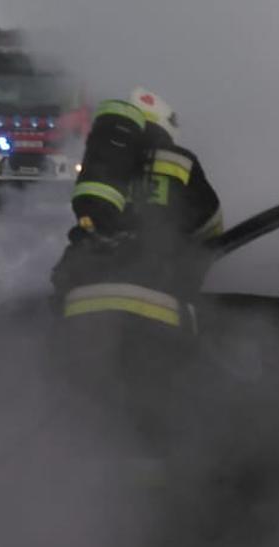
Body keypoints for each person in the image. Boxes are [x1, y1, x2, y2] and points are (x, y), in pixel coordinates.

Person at [49, 88, 225, 482]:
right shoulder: (181, 162)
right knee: (151, 426)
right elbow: (212, 233)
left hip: (84, 310)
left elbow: (79, 245)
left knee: (85, 415)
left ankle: (75, 494)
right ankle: (147, 500)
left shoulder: (104, 174)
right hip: (157, 312)